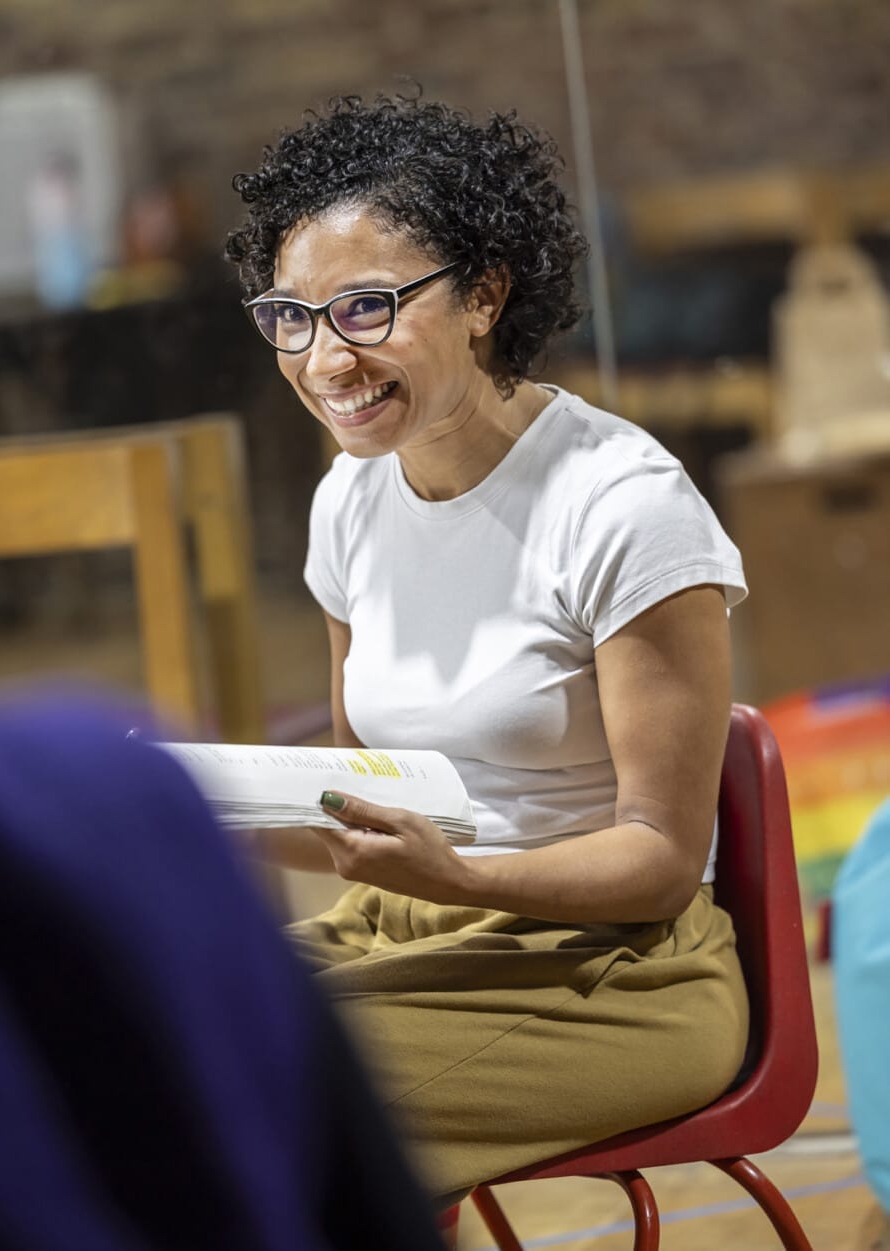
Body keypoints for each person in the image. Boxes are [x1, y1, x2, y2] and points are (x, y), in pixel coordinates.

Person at [225, 92, 750, 1209]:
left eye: (366, 308)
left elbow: (659, 855)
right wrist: (188, 808)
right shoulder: (350, 501)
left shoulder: (622, 505)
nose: (325, 359)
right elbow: (366, 801)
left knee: (247, 1091)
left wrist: (460, 875)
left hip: (611, 969)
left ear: (485, 295)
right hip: (408, 932)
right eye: (290, 316)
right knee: (118, 1030)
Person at [0, 691, 446, 1251]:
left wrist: (462, 880)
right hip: (382, 912)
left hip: (523, 926)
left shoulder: (86, 776)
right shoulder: (95, 765)